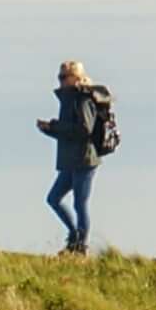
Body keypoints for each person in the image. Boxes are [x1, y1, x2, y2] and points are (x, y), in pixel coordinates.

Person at [36, 60, 115, 253]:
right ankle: (74, 236)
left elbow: (83, 130)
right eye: (59, 77)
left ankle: (80, 245)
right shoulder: (69, 99)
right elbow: (68, 131)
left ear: (76, 78)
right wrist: (49, 129)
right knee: (53, 199)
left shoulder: (82, 99)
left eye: (64, 77)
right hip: (70, 160)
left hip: (85, 159)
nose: (60, 81)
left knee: (80, 203)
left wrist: (54, 127)